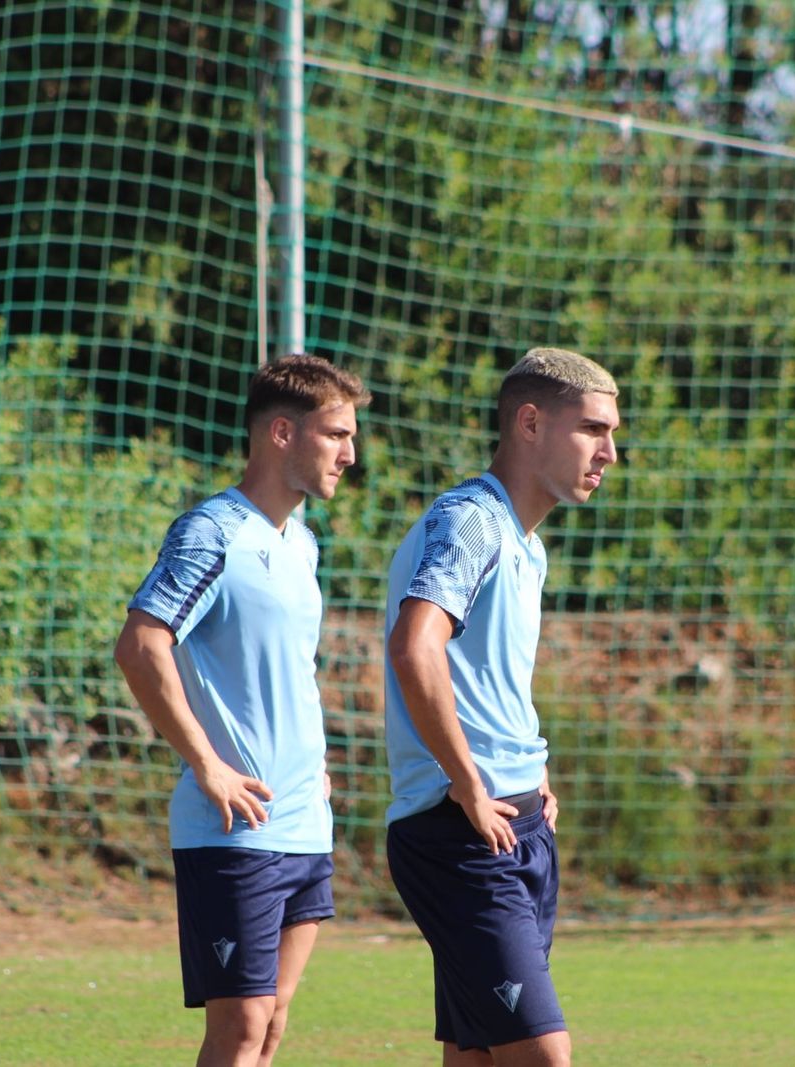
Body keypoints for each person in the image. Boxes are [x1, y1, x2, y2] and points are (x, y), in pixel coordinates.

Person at [114, 355, 370, 1067]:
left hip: (303, 822)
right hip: (233, 829)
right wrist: (209, 766)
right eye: (337, 435)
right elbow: (141, 644)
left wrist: (316, 765)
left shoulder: (304, 544)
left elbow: (292, 669)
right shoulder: (212, 531)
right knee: (241, 1027)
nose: (351, 455)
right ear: (282, 432)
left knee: (273, 1023)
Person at [383, 347, 621, 1067]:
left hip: (518, 827)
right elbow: (415, 646)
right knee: (544, 1056)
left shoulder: (527, 544)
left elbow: (489, 678)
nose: (609, 453)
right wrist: (469, 780)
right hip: (463, 835)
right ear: (529, 422)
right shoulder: (471, 521)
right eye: (593, 430)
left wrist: (532, 768)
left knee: (477, 1057)